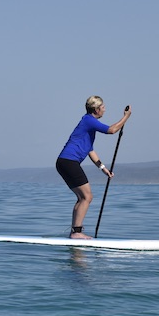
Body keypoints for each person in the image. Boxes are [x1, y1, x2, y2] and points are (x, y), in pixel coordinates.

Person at [55, 96, 131, 239]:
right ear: (96, 109)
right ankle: (76, 232)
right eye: (103, 107)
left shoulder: (88, 124)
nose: (105, 110)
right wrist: (126, 117)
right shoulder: (89, 120)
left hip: (63, 162)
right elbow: (111, 130)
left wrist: (103, 169)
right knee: (87, 197)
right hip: (69, 162)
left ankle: (75, 232)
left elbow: (90, 151)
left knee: (82, 198)